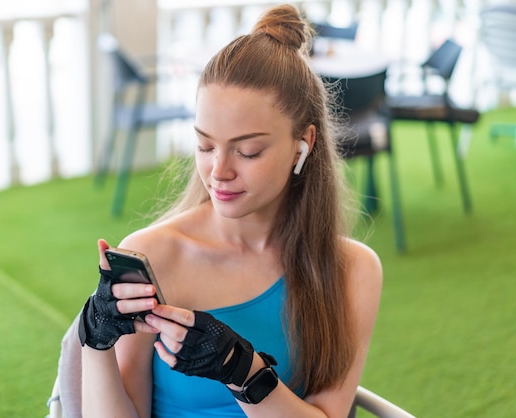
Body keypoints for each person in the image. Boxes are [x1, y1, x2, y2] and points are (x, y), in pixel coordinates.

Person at [76, 4, 382, 417]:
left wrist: (244, 372)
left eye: (248, 151)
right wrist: (95, 341)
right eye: (204, 146)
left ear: (302, 144)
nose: (218, 171)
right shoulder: (155, 254)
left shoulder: (352, 269)